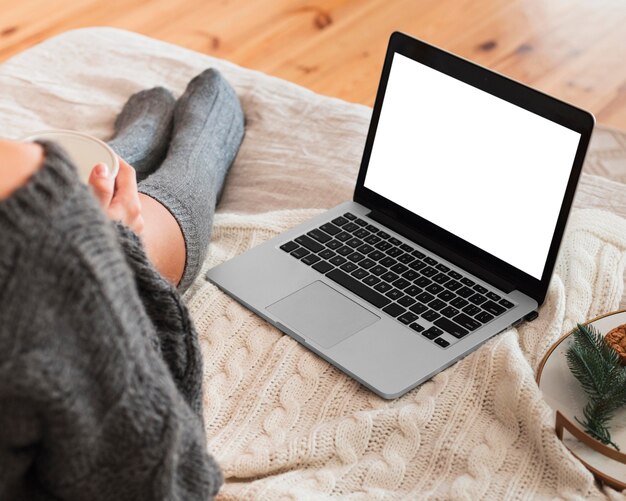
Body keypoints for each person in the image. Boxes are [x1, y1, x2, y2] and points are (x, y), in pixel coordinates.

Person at [0, 68, 244, 500]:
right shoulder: (34, 228)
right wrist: (108, 251)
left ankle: (136, 145)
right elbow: (165, 480)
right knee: (162, 195)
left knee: (87, 184)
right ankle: (196, 151)